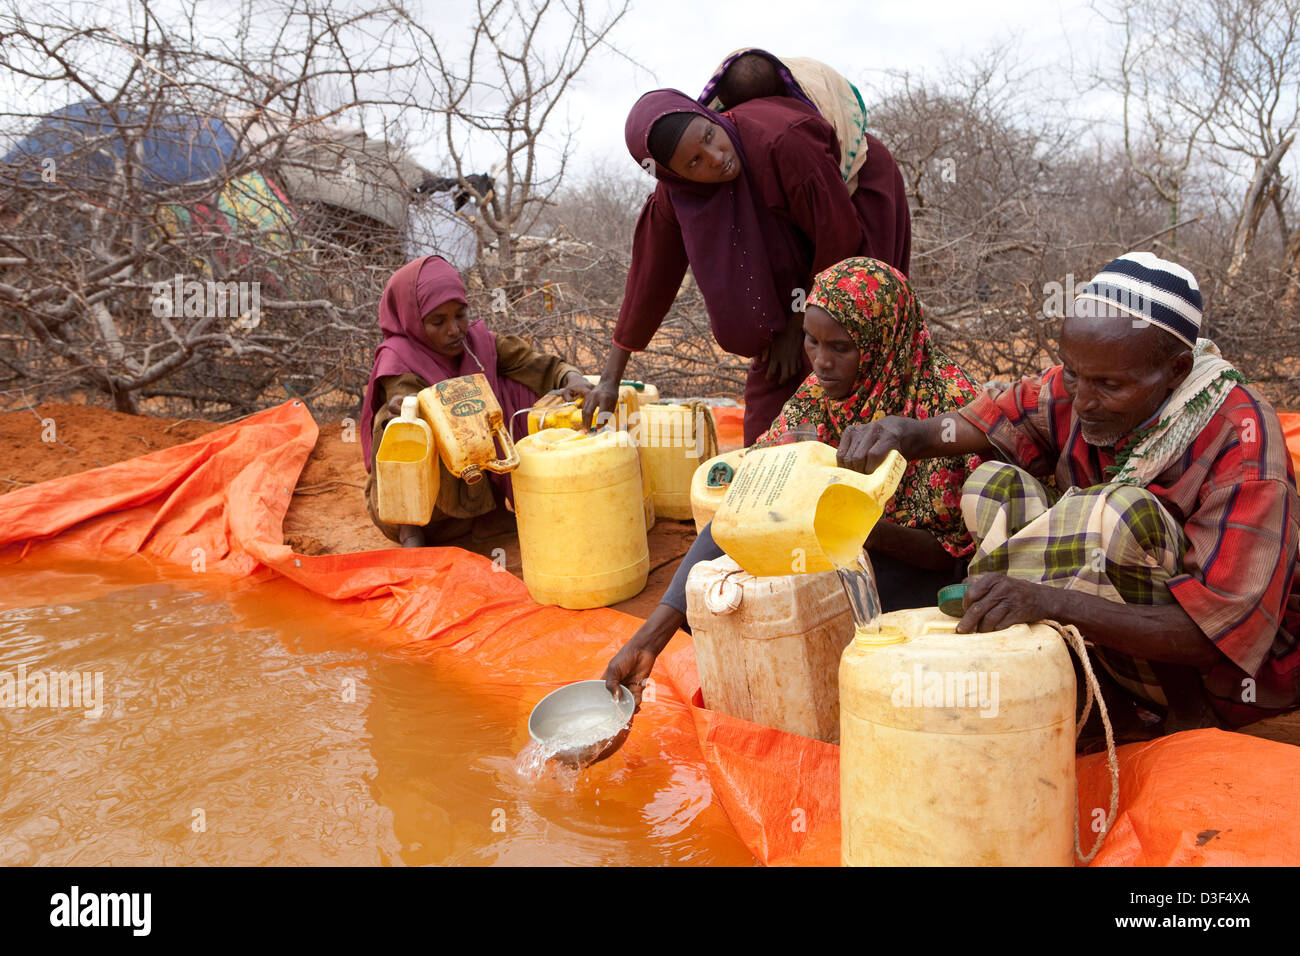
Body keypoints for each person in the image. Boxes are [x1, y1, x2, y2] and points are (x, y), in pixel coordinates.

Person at [842, 252, 1300, 732]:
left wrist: (1050, 603)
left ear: (1177, 371)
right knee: (993, 486)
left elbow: (1216, 635)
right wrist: (906, 434)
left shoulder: (1242, 441)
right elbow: (988, 419)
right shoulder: (1086, 383)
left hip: (1221, 677)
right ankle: (1098, 702)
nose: (1081, 401)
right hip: (1114, 641)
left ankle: (1186, 718)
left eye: (1107, 385)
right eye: (1073, 374)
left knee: (1119, 513)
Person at [603, 258, 982, 703]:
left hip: (920, 583)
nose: (821, 363)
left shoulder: (949, 407)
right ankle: (654, 644)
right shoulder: (820, 395)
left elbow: (952, 558)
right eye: (811, 340)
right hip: (843, 550)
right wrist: (650, 637)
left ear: (884, 342)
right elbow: (747, 503)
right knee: (739, 532)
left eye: (841, 347)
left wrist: (852, 524)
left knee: (814, 619)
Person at [586, 60, 911, 446]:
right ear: (672, 174)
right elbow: (649, 280)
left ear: (710, 116)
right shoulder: (675, 197)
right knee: (767, 411)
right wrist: (610, 379)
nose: (715, 156)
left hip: (853, 207)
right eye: (694, 162)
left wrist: (795, 325)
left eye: (709, 135)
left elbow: (838, 236)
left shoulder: (783, 142)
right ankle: (774, 478)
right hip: (794, 248)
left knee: (846, 346)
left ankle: (879, 452)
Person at [360, 255, 591, 546]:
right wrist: (407, 407)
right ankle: (411, 532)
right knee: (395, 423)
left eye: (460, 315)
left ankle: (490, 512)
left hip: (476, 501)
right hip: (427, 509)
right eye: (438, 321)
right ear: (412, 320)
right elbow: (400, 396)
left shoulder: (478, 344)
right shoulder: (398, 356)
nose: (454, 329)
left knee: (508, 382)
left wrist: (572, 379)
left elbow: (540, 365)